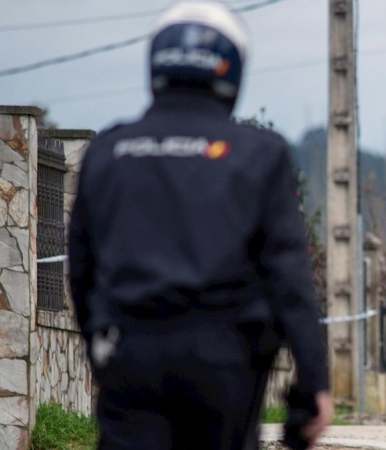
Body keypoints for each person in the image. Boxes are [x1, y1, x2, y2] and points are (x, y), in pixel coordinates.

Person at [67, 2, 332, 449]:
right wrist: (313, 379)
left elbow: (80, 268)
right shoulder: (259, 154)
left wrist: (102, 345)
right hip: (226, 364)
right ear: (230, 70)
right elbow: (288, 275)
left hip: (131, 354)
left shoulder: (109, 150)